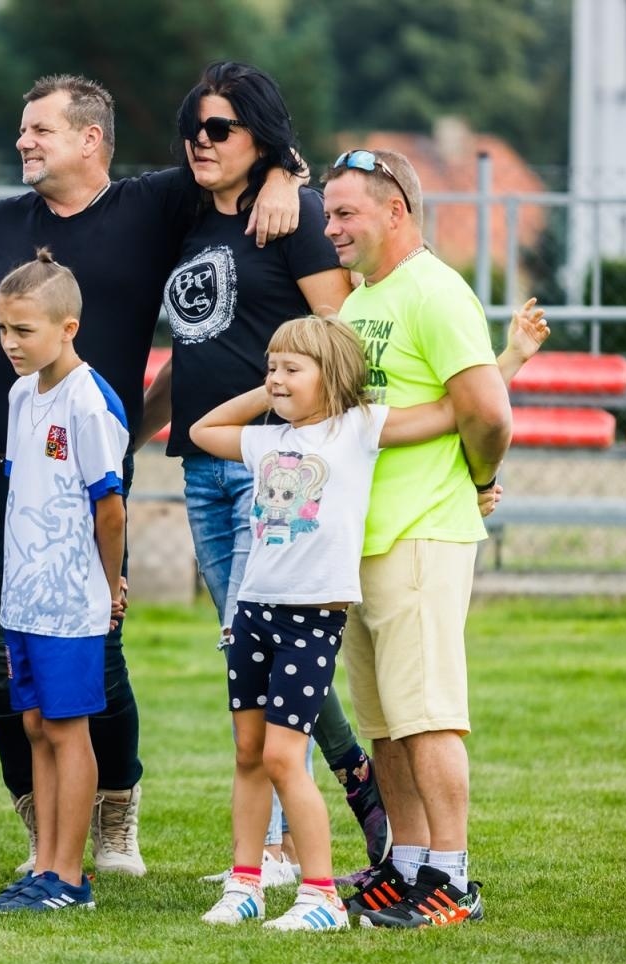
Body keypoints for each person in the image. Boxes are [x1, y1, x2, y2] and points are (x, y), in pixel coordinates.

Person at [0, 74, 304, 877]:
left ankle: (116, 815)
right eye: (22, 129)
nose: (23, 141)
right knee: (3, 659)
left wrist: (287, 175)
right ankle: (43, 831)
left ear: (90, 139)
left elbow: (244, 158)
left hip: (85, 476)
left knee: (96, 652)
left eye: (40, 129)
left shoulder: (151, 205)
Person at [189, 307, 545, 930]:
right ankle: (245, 884)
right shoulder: (266, 439)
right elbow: (202, 430)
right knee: (249, 752)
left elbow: (453, 409)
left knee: (283, 758)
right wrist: (272, 390)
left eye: (292, 369)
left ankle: (320, 896)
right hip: (253, 614)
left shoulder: (357, 429)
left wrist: (510, 356)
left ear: (330, 377)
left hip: (308, 623)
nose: (276, 378)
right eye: (271, 367)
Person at [155, 61, 388, 882]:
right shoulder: (191, 217)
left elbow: (336, 337)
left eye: (220, 128)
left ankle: (288, 845)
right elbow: (196, 351)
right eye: (193, 128)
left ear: (259, 134)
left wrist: (292, 178)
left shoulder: (295, 215)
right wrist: (135, 429)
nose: (202, 141)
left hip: (278, 466)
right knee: (247, 647)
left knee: (274, 638)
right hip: (205, 463)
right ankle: (351, 775)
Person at [323, 149, 519, 927]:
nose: (331, 228)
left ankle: (452, 877)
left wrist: (477, 478)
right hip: (361, 540)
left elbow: (489, 411)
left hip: (421, 534)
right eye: (329, 213)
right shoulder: (363, 298)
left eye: (346, 213)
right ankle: (405, 865)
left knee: (428, 715)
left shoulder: (436, 292)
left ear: (396, 211)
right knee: (384, 722)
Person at [0, 252, 127, 913]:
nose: (9, 343)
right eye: (2, 329)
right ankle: (43, 867)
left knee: (68, 730)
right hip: (22, 597)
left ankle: (69, 880)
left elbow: (110, 508)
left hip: (71, 602)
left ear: (68, 328)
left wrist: (110, 584)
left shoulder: (90, 402)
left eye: (24, 330)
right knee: (36, 726)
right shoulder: (18, 394)